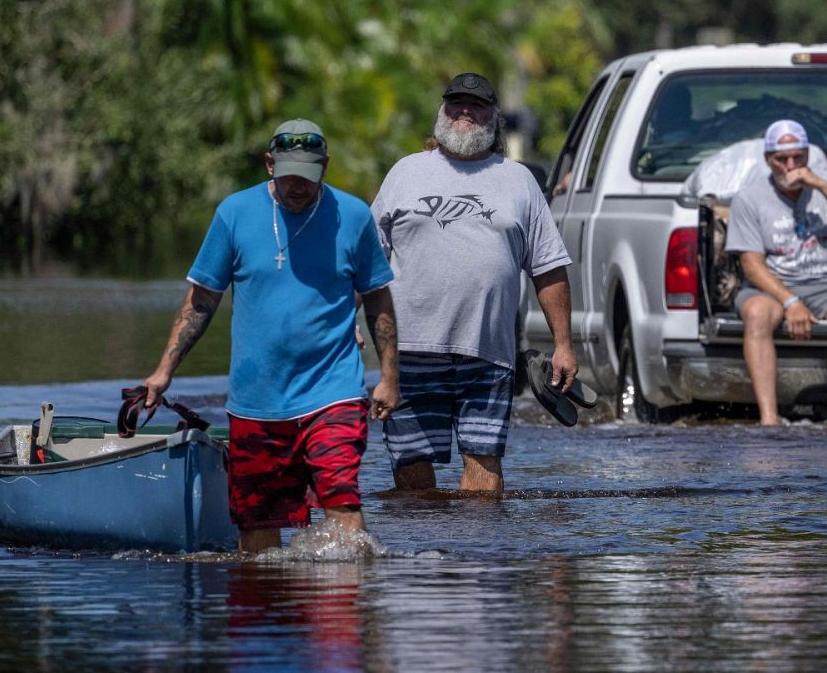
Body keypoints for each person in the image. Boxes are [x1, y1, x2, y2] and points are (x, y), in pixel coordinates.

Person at [139, 120, 400, 552]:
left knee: (342, 501)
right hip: (256, 402)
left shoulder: (352, 217)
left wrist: (389, 376)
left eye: (309, 175)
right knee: (258, 529)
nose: (298, 185)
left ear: (326, 166)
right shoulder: (234, 214)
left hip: (333, 391)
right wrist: (164, 370)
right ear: (268, 165)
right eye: (289, 174)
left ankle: (340, 612)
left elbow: (378, 300)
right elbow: (201, 301)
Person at [371, 72, 576, 492]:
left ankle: (479, 557)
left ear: (495, 117)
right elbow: (366, 263)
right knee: (411, 475)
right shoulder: (405, 173)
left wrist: (564, 345)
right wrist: (345, 327)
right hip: (408, 351)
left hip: (488, 353)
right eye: (455, 103)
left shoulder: (519, 181)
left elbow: (549, 267)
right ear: (441, 112)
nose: (465, 111)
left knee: (485, 477)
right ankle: (427, 555)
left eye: (477, 105)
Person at [726, 119, 827, 426]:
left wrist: (822, 185)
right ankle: (768, 418)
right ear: (768, 160)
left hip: (825, 282)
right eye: (782, 159)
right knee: (758, 313)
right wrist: (789, 301)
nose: (791, 166)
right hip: (772, 284)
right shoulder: (750, 197)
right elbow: (752, 266)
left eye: (798, 158)